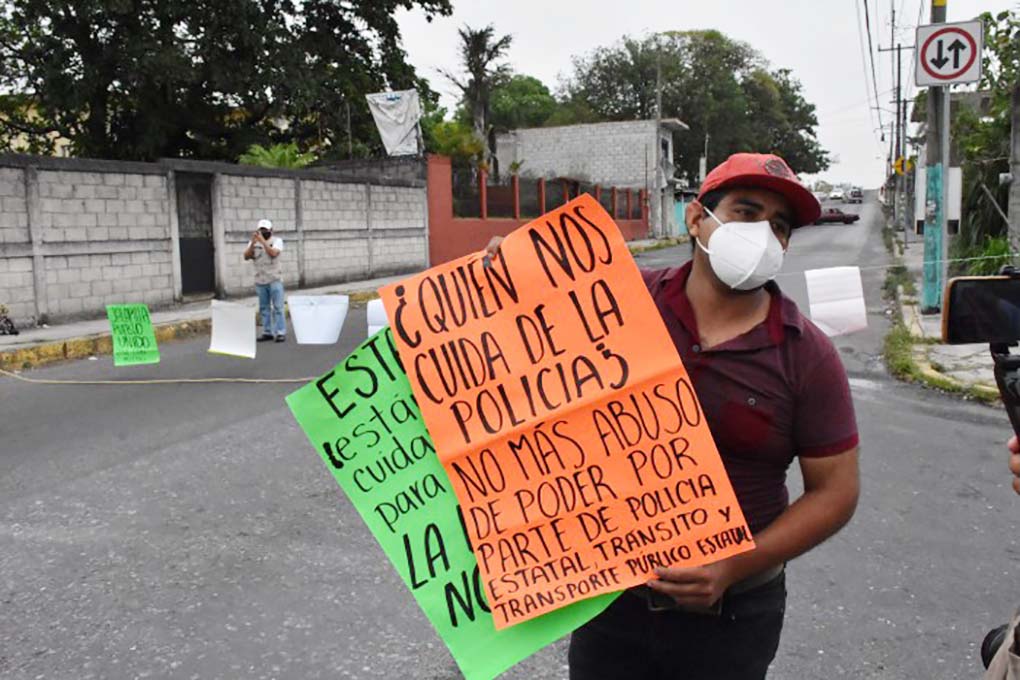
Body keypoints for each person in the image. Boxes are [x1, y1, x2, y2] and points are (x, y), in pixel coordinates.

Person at [486, 152, 860, 680]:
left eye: (779, 226)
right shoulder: (618, 299)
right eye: (746, 212)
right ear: (696, 218)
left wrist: (732, 565)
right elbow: (527, 336)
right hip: (611, 602)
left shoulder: (808, 355)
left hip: (732, 616)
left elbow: (836, 492)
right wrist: (505, 274)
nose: (762, 235)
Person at [243, 218, 286, 342]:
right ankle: (267, 332)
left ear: (271, 230)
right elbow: (246, 256)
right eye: (261, 230)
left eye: (265, 230)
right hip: (260, 280)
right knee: (264, 308)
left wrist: (263, 241)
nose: (263, 232)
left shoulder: (277, 241)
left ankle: (280, 332)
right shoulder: (253, 243)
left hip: (274, 279)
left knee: (278, 308)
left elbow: (273, 253)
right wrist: (253, 242)